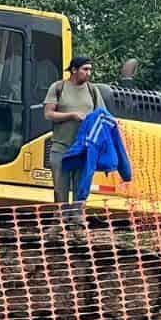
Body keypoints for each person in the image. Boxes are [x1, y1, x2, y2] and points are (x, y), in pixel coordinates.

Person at [43, 56, 105, 207]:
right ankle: (60, 223)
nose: (89, 73)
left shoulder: (92, 90)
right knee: (60, 189)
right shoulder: (58, 87)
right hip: (61, 148)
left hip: (83, 149)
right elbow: (48, 114)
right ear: (74, 70)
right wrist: (71, 115)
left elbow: (101, 116)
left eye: (90, 69)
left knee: (80, 189)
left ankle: (77, 223)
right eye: (85, 69)